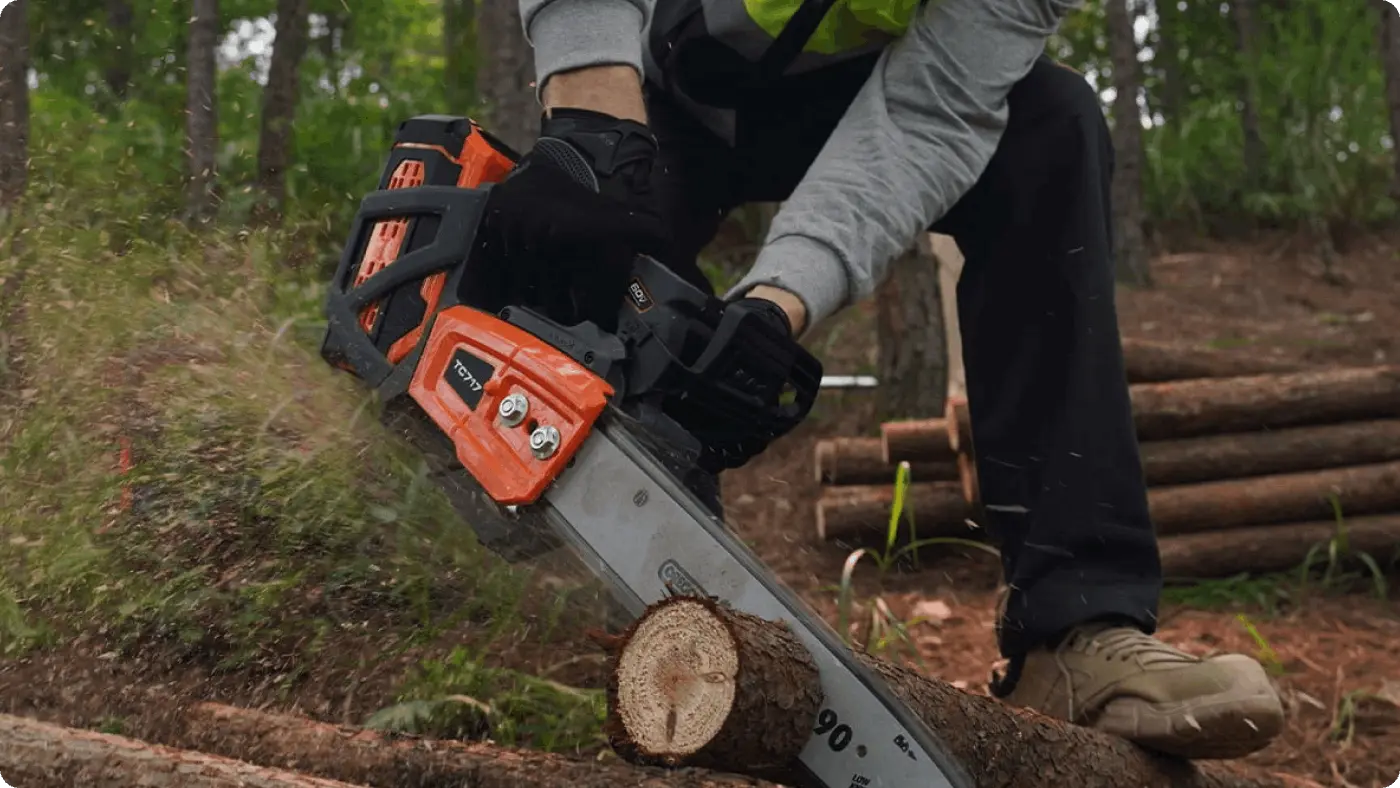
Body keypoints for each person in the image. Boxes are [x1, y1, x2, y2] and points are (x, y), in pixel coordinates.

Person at [480, 0, 1286, 762]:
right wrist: (593, 111)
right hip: (650, 63)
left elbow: (927, 113)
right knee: (570, 249)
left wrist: (774, 309)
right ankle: (541, 586)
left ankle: (1076, 626)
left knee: (1049, 122)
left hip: (847, 94)